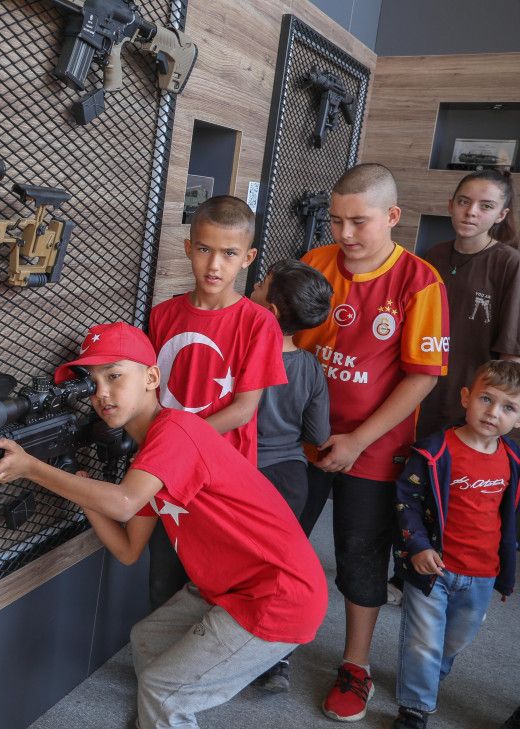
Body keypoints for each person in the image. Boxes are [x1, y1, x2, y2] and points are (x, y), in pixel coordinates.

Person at [0, 321, 327, 729]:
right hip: (233, 587)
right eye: (93, 383)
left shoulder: (175, 432)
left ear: (152, 377)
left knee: (163, 688)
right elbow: (127, 550)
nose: (102, 393)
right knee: (146, 640)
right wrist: (84, 492)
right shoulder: (149, 456)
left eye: (115, 375)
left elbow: (123, 504)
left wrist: (32, 469)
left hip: (277, 596)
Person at [293, 163, 449, 722]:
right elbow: (291, 342)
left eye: (359, 222)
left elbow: (423, 376)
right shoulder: (315, 263)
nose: (345, 234)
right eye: (337, 221)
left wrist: (358, 440)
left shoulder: (420, 281)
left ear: (393, 216)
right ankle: (269, 642)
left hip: (374, 450)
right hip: (301, 442)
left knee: (361, 559)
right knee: (281, 541)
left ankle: (355, 669)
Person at [145, 194, 286, 609]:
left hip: (222, 474)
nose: (214, 265)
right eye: (204, 249)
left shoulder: (259, 324)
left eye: (229, 253)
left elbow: (244, 408)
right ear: (188, 247)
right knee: (162, 576)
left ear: (248, 258)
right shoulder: (163, 315)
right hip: (166, 473)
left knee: (215, 582)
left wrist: (178, 443)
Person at [392, 360, 520, 729]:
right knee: (423, 641)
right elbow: (407, 500)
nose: (493, 413)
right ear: (466, 398)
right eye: (486, 399)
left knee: (454, 642)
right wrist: (416, 545)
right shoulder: (435, 452)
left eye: (507, 407)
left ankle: (429, 675)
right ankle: (415, 708)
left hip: (481, 573)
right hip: (433, 568)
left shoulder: (512, 461)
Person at [247, 257, 333, 692]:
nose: (255, 286)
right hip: (291, 480)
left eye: (261, 284)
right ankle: (276, 659)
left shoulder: (244, 355)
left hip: (246, 474)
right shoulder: (311, 367)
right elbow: (318, 433)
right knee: (278, 571)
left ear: (273, 310)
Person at [416, 168, 520, 439]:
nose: (471, 211)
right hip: (421, 389)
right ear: (451, 205)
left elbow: (511, 357)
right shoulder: (433, 254)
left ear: (501, 215)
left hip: (471, 403)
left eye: (485, 206)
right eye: (464, 201)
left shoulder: (509, 263)